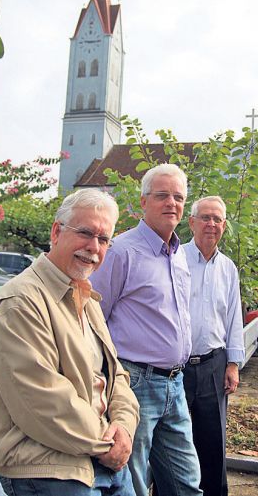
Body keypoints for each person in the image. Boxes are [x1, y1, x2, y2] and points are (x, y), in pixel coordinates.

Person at [0, 189, 140, 496]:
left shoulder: (84, 297)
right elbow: (42, 402)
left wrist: (125, 429)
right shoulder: (19, 303)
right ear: (56, 231)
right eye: (86, 233)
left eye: (103, 240)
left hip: (100, 457)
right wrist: (109, 443)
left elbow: (117, 379)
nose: (94, 247)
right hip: (46, 466)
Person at [90, 164, 202, 496]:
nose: (172, 203)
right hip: (136, 382)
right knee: (133, 482)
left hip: (176, 384)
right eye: (162, 195)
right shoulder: (121, 251)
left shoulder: (179, 253)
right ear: (143, 201)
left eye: (179, 197)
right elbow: (94, 319)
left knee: (186, 484)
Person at [183, 196, 245, 496]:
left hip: (214, 365)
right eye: (205, 217)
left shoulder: (229, 269)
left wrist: (233, 364)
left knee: (213, 443)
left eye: (217, 219)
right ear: (191, 222)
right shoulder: (174, 259)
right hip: (175, 368)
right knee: (169, 444)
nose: (211, 224)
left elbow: (234, 318)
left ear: (224, 225)